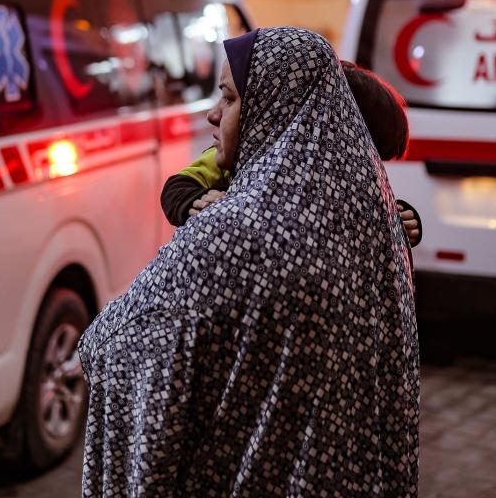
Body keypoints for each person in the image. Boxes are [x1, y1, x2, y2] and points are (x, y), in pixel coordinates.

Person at [78, 27, 419, 495]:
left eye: (230, 97)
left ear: (272, 108)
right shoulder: (373, 227)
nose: (213, 114)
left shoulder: (236, 234)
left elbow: (113, 345)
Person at [160, 59, 422, 249]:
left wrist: (401, 221)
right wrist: (197, 200)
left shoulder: (345, 187)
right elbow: (177, 187)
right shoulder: (235, 157)